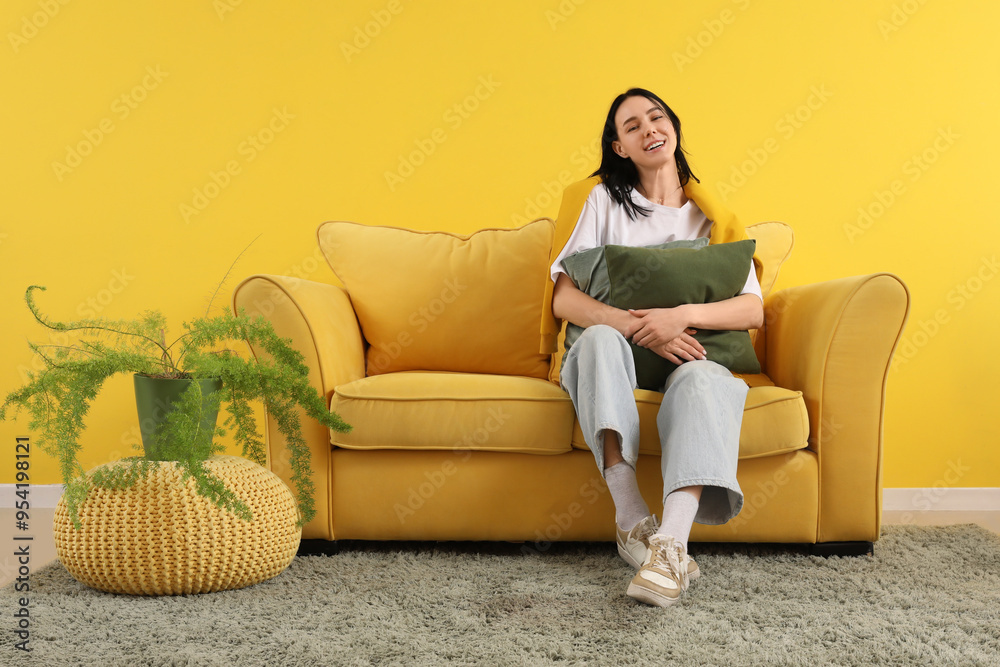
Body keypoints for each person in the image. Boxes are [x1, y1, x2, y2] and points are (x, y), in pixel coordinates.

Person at [542, 88, 764, 607]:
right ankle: (630, 518)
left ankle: (670, 545)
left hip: (686, 355)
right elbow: (563, 298)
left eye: (656, 117)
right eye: (633, 126)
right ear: (619, 147)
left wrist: (679, 317)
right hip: (614, 353)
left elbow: (752, 310)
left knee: (709, 378)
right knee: (596, 339)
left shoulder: (711, 217)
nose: (649, 130)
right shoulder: (599, 201)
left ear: (674, 127)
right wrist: (630, 324)